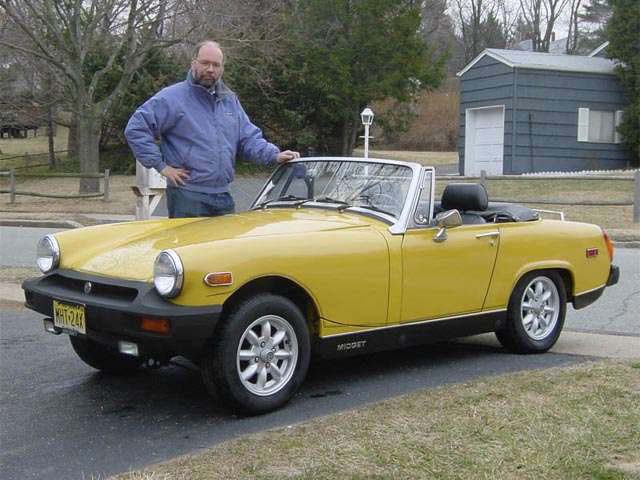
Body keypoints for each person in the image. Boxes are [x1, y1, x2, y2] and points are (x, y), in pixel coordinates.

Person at [125, 40, 299, 218]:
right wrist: (161, 166)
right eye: (205, 63)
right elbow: (136, 128)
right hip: (187, 197)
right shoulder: (172, 98)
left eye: (216, 65)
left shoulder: (229, 101)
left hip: (222, 196)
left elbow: (248, 138)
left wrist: (275, 155)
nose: (210, 69)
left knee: (222, 246)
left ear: (222, 68)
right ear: (194, 63)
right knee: (190, 246)